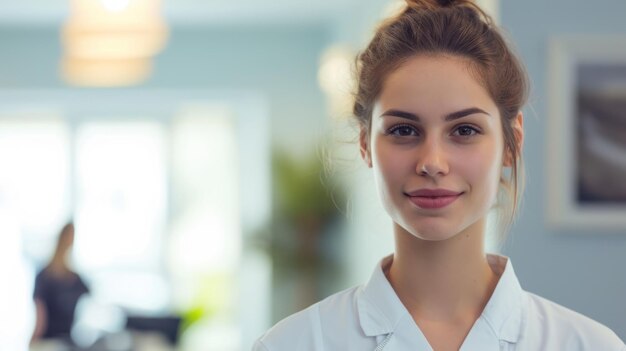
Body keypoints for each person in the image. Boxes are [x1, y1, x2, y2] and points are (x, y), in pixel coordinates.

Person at [253, 0, 626, 350]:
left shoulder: (587, 344)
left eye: (464, 130)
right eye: (403, 130)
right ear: (365, 143)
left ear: (512, 141)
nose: (432, 162)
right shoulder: (296, 343)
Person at [32, 222, 90, 344]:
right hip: (49, 341)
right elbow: (40, 318)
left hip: (67, 341)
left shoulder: (75, 279)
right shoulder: (44, 277)